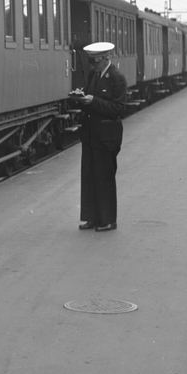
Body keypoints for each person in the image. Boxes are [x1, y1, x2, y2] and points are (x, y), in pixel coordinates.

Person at [70, 41, 128, 232]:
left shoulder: (117, 78)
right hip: (91, 134)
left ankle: (108, 220)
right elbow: (90, 96)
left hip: (106, 135)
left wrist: (93, 101)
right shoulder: (94, 75)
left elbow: (118, 108)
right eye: (91, 62)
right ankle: (92, 218)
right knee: (89, 177)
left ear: (105, 58)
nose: (93, 65)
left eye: (95, 62)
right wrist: (80, 97)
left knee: (104, 178)